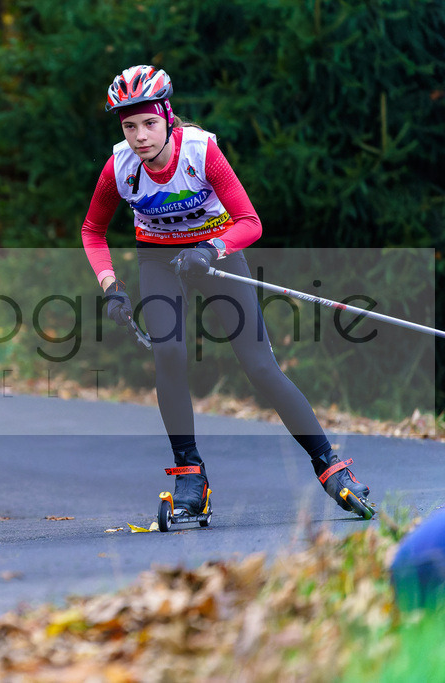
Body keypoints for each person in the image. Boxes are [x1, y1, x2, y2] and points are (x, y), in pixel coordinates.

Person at [81, 64, 374, 520]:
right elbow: (92, 230)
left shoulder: (200, 152)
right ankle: (190, 478)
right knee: (170, 355)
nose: (140, 136)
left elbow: (251, 223)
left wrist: (212, 247)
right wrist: (111, 287)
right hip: (158, 259)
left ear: (168, 116)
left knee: (259, 366)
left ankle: (331, 467)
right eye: (129, 126)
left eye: (149, 123)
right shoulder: (120, 166)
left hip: (215, 253)